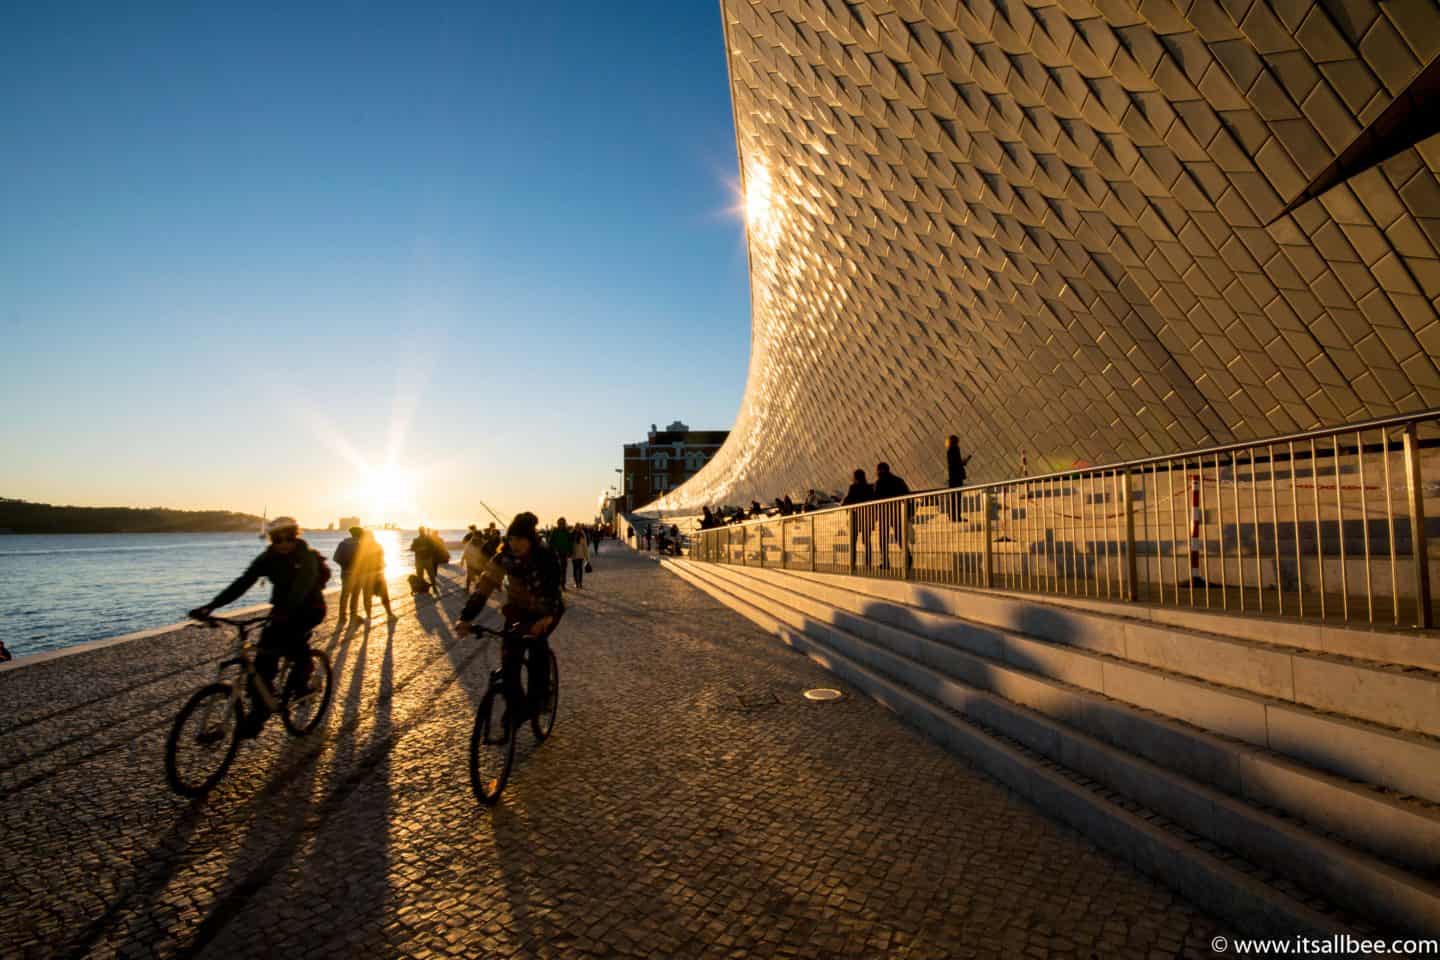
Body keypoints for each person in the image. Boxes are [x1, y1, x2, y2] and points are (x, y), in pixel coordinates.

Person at [190, 517, 327, 738]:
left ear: (296, 536)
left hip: (310, 608)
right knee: (263, 661)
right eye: (278, 539)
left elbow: (303, 585)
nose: (283, 543)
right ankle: (260, 710)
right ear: (272, 540)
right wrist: (211, 606)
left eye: (289, 538)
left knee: (295, 644)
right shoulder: (267, 558)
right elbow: (243, 582)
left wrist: (286, 610)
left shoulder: (307, 557)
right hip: (281, 610)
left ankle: (302, 684)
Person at [454, 512, 564, 740]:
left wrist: (546, 618)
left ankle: (540, 699)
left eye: (520, 540)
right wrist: (466, 618)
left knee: (536, 651)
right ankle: (516, 708)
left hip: (546, 610)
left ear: (530, 540)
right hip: (517, 611)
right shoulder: (503, 558)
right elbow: (484, 587)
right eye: (512, 539)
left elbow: (553, 588)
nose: (515, 545)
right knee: (509, 660)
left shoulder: (544, 557)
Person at [873, 462, 911, 570]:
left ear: (880, 470)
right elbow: (906, 493)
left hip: (884, 513)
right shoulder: (898, 480)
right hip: (897, 511)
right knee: (899, 536)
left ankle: (885, 561)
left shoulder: (879, 482)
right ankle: (907, 557)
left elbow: (875, 498)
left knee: (883, 538)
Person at [355, 529, 398, 622]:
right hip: (378, 573)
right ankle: (389, 614)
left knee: (367, 596)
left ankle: (369, 616)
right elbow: (381, 559)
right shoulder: (377, 546)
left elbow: (358, 562)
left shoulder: (361, 547)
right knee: (384, 595)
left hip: (366, 575)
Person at [842, 468, 875, 567]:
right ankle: (868, 563)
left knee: (853, 541)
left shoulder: (853, 487)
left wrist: (844, 504)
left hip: (855, 516)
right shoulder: (870, 487)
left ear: (855, 477)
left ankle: (852, 562)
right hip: (867, 516)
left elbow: (849, 499)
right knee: (866, 540)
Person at [333, 526, 364, 620]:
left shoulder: (343, 544)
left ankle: (342, 616)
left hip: (345, 572)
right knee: (355, 595)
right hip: (358, 573)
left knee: (345, 595)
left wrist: (344, 565)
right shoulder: (361, 544)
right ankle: (353, 615)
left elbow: (335, 558)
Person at [549, 517, 575, 587]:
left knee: (563, 569)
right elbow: (550, 542)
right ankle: (558, 583)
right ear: (558, 524)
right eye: (560, 523)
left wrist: (570, 552)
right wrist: (552, 550)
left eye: (562, 523)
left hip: (564, 553)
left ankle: (562, 583)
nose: (561, 525)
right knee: (557, 569)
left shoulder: (567, 532)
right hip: (556, 553)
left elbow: (570, 542)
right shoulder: (555, 532)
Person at [410, 527, 435, 594]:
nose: (421, 532)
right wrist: (419, 549)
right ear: (419, 531)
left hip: (426, 559)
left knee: (431, 575)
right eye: (420, 531)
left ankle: (434, 587)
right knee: (420, 576)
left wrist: (427, 549)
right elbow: (412, 548)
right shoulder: (416, 540)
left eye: (422, 531)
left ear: (423, 531)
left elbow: (433, 547)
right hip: (420, 560)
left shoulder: (428, 539)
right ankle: (422, 589)